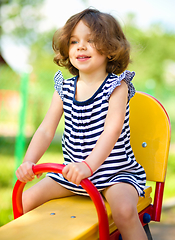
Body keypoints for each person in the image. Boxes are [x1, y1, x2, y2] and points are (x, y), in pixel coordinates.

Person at [16, 8, 147, 240]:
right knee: (25, 201)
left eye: (91, 40)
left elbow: (112, 130)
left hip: (114, 175)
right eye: (74, 41)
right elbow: (46, 130)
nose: (80, 46)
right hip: (74, 174)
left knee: (124, 212)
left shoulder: (117, 87)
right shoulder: (64, 89)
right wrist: (29, 162)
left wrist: (89, 165)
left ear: (110, 49)